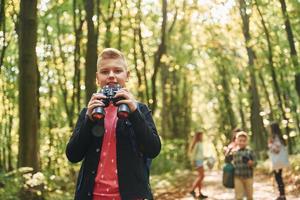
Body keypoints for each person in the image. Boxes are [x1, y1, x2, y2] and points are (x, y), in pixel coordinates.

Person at [65, 48, 161, 200]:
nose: (111, 76)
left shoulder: (140, 109)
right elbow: (73, 155)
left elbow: (153, 149)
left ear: (127, 75)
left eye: (117, 71)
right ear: (97, 78)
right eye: (105, 72)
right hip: (92, 196)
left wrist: (134, 113)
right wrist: (89, 120)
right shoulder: (88, 112)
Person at [268, 122, 289, 200]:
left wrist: (270, 145)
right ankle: (281, 194)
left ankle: (282, 195)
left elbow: (276, 149)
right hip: (280, 162)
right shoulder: (280, 137)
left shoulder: (275, 137)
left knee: (278, 178)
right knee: (279, 177)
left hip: (277, 162)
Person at [232, 131, 256, 200]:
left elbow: (255, 162)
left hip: (248, 177)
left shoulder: (250, 151)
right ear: (236, 141)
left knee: (250, 196)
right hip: (238, 177)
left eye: (244, 141)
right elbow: (233, 163)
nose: (242, 142)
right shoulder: (234, 152)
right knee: (239, 197)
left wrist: (252, 163)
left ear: (247, 141)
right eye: (240, 140)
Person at [189, 131, 208, 199]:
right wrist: (193, 161)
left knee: (200, 176)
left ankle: (199, 194)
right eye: (201, 135)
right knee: (201, 176)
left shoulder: (200, 143)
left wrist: (206, 158)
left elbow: (200, 154)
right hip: (198, 161)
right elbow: (193, 153)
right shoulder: (197, 143)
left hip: (200, 161)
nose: (202, 137)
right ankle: (192, 189)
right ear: (198, 136)